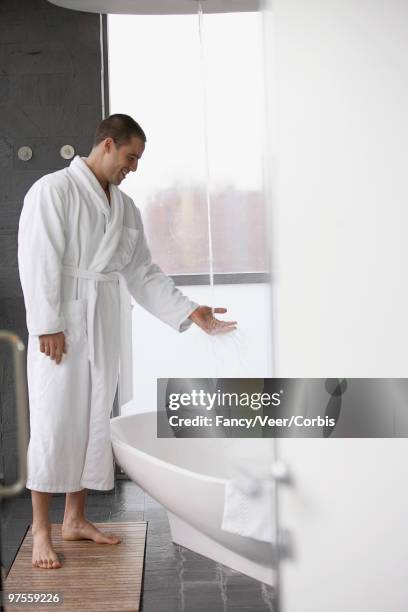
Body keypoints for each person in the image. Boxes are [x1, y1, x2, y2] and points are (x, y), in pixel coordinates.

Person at [17, 113, 237, 570]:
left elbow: (142, 273)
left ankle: (74, 519)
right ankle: (41, 527)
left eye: (138, 160)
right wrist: (48, 323)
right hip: (64, 323)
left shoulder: (126, 208)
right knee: (54, 422)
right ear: (107, 145)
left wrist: (188, 310)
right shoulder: (53, 190)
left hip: (104, 323)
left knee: (92, 419)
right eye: (131, 157)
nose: (133, 167)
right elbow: (38, 259)